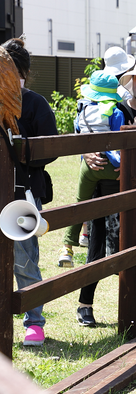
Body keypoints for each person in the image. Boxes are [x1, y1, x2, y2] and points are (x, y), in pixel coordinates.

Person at [76, 56, 136, 326]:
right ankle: (85, 305)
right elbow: (86, 129)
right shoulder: (113, 106)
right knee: (95, 248)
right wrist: (87, 152)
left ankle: (134, 311)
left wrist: (133, 166)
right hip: (104, 187)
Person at [58, 71, 136, 268]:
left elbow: (78, 134)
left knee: (80, 204)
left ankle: (67, 248)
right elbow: (119, 141)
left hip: (89, 166)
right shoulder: (116, 113)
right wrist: (124, 163)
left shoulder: (83, 110)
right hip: (110, 165)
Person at [3, 37, 58, 346]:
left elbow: (51, 148)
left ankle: (34, 322)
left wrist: (19, 149)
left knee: (25, 260)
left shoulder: (35, 103)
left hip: (22, 193)